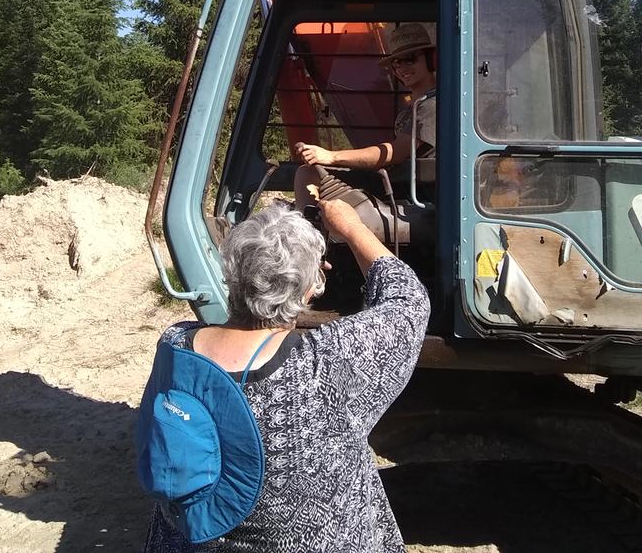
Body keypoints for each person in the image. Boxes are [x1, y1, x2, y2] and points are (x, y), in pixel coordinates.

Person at [141, 199, 430, 553]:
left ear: (231, 274)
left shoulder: (175, 346)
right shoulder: (323, 363)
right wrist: (353, 228)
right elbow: (409, 300)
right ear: (311, 286)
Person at [294, 23, 437, 215]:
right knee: (308, 172)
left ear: (431, 60)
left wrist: (331, 156)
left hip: (414, 192)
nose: (403, 68)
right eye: (397, 63)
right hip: (394, 182)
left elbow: (396, 152)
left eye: (410, 59)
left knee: (308, 174)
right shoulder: (412, 106)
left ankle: (304, 236)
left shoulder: (433, 103)